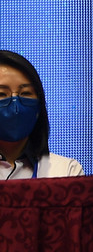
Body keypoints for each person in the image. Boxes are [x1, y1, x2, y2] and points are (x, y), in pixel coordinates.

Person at [0, 49, 85, 180]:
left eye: (26, 93)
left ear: (39, 105)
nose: (16, 107)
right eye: (1, 94)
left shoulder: (66, 171)